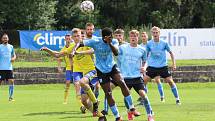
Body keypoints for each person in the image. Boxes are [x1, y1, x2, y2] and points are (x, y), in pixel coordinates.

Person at [71, 27, 139, 121]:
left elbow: (116, 53)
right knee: (108, 93)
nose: (111, 38)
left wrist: (109, 42)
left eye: (111, 36)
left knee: (122, 82)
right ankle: (117, 117)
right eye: (108, 37)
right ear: (103, 37)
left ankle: (132, 108)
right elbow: (80, 43)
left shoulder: (114, 41)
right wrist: (74, 50)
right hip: (101, 70)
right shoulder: (95, 41)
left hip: (112, 67)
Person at [118, 30, 154, 121]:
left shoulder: (142, 49)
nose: (133, 38)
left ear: (138, 38)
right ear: (129, 37)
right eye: (131, 36)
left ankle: (150, 115)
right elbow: (115, 53)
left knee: (143, 95)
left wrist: (144, 67)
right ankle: (129, 111)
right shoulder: (123, 47)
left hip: (137, 77)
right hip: (125, 77)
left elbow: (146, 61)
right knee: (127, 97)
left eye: (135, 36)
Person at [40, 33, 84, 109]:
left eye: (69, 38)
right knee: (70, 84)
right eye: (67, 38)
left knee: (82, 86)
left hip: (79, 68)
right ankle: (77, 104)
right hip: (69, 68)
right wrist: (59, 66)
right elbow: (58, 56)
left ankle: (91, 101)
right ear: (65, 39)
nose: (68, 39)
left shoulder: (76, 45)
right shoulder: (65, 49)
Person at [144, 26, 181, 105]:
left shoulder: (164, 43)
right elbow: (145, 56)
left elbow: (171, 53)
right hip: (152, 67)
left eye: (156, 32)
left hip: (163, 67)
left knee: (170, 82)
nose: (155, 34)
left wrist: (174, 64)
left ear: (159, 33)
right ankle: (143, 99)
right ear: (151, 34)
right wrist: (144, 66)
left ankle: (177, 99)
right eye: (153, 33)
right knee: (143, 82)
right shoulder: (149, 43)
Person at [139, 31, 165, 102]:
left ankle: (162, 96)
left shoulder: (150, 44)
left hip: (152, 65)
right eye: (142, 36)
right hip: (144, 65)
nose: (144, 38)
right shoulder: (140, 46)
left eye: (145, 36)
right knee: (144, 82)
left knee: (157, 80)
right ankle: (143, 98)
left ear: (147, 37)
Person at [0, 33, 16, 101]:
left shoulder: (11, 47)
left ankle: (10, 97)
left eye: (6, 38)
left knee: (11, 81)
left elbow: (14, 55)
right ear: (2, 39)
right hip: (1, 68)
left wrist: (13, 58)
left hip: (9, 68)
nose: (5, 39)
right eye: (4, 38)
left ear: (8, 39)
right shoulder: (0, 46)